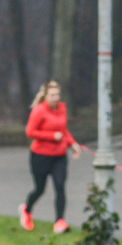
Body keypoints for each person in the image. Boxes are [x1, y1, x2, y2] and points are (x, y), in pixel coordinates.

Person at [19, 80, 80, 233]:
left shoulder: (62, 109)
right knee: (40, 189)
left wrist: (72, 144)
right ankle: (26, 210)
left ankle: (59, 221)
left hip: (59, 156)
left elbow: (63, 130)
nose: (55, 98)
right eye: (52, 95)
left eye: (57, 95)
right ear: (45, 96)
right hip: (40, 156)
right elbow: (30, 132)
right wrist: (52, 136)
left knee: (60, 187)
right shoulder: (39, 111)